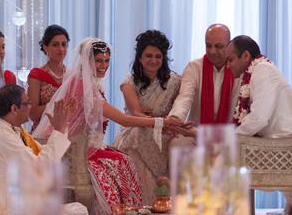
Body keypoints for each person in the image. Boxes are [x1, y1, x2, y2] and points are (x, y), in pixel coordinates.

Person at [33, 37, 181, 214]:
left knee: (122, 159)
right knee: (121, 162)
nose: (103, 66)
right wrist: (161, 122)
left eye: (106, 61)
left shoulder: (88, 83)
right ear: (88, 61)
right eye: (98, 61)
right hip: (72, 150)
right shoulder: (82, 86)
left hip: (82, 145)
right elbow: (123, 119)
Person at [226, 35, 292, 215]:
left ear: (246, 56)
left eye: (231, 59)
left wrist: (230, 139)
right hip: (284, 140)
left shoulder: (262, 71)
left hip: (287, 142)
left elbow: (259, 118)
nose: (228, 65)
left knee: (227, 158)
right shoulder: (256, 72)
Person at [0, 84, 82, 215]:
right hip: (4, 211)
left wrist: (61, 128)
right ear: (14, 108)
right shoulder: (2, 136)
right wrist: (59, 131)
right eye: (27, 103)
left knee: (79, 209)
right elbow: (38, 168)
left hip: (18, 207)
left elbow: (41, 153)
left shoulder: (12, 130)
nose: (30, 107)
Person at [112, 30, 181, 204]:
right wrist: (158, 123)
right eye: (148, 56)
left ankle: (166, 195)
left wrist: (169, 124)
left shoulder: (174, 82)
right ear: (140, 58)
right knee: (138, 133)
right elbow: (136, 113)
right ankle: (141, 201)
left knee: (180, 143)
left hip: (166, 133)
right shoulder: (128, 83)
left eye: (158, 56)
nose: (153, 60)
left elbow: (178, 111)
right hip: (137, 129)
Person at [167, 24, 240, 142]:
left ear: (229, 45)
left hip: (230, 135)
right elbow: (184, 98)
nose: (212, 51)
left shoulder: (238, 69)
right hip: (196, 133)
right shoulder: (194, 67)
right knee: (177, 143)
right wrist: (176, 119)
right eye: (208, 45)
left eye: (219, 46)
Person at [28, 24, 69, 129]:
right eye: (55, 45)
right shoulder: (37, 75)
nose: (61, 49)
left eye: (64, 44)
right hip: (42, 134)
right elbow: (32, 114)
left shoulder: (71, 74)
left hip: (67, 133)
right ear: (46, 47)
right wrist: (56, 106)